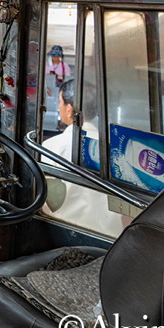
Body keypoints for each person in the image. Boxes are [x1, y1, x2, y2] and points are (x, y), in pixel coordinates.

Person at [40, 79, 125, 237]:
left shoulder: (52, 147)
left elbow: (43, 197)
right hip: (111, 236)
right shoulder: (114, 149)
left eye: (60, 102)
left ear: (69, 109)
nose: (58, 107)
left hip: (65, 233)